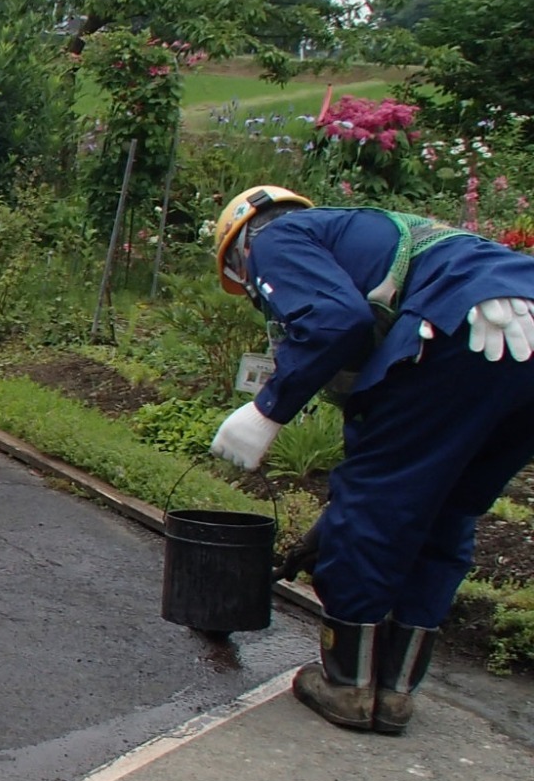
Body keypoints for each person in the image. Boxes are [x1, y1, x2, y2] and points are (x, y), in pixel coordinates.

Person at [208, 185, 534, 734]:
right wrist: (336, 516)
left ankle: (349, 685)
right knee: (449, 510)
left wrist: (267, 410)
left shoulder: (273, 235)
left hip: (456, 324)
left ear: (238, 251)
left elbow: (338, 322)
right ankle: (396, 692)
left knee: (377, 506)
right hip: (521, 328)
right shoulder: (367, 237)